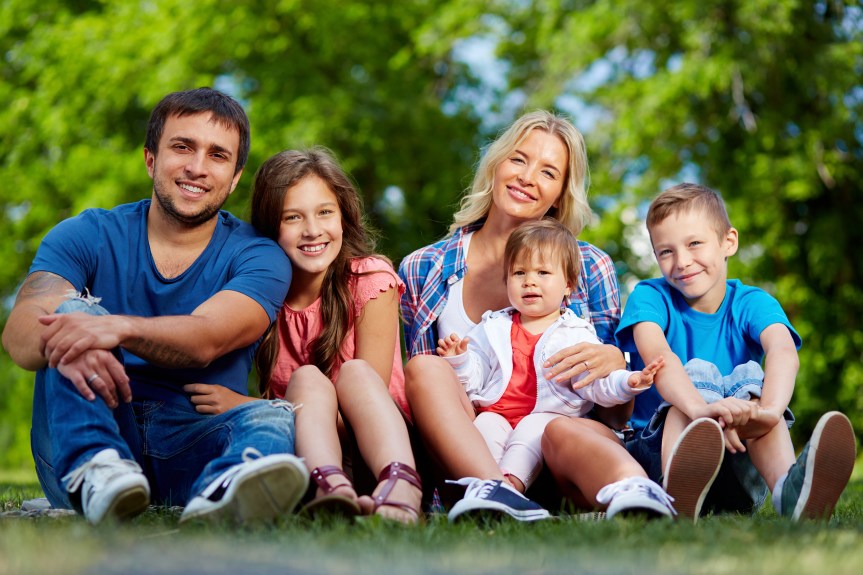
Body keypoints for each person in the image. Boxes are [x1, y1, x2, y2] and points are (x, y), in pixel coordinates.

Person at [1, 88, 308, 526]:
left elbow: (208, 338)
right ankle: (98, 466)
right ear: (150, 158)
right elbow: (20, 335)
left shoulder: (260, 255)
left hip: (192, 439)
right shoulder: (85, 234)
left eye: (218, 155)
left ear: (235, 177)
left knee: (268, 415)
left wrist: (117, 330)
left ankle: (227, 486)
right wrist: (82, 324)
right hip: (85, 424)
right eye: (182, 147)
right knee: (74, 316)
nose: (197, 168)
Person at [399, 110, 630, 522]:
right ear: (496, 164)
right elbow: (417, 402)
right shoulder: (424, 266)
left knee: (565, 430)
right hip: (472, 449)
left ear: (560, 193)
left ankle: (638, 495)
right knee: (425, 368)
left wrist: (616, 360)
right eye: (519, 159)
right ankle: (498, 494)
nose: (527, 177)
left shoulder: (590, 265)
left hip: (556, 447)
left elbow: (615, 416)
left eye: (548, 172)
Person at [185, 148, 422, 523]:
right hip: (310, 454)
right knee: (308, 379)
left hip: (377, 446)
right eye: (292, 217)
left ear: (344, 217)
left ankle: (403, 484)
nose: (312, 230)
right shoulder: (261, 296)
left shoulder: (370, 280)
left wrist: (244, 405)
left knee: (356, 373)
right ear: (269, 228)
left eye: (325, 212)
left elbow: (366, 407)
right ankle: (331, 489)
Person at [612, 183, 856, 521]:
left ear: (729, 241)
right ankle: (675, 492)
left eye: (694, 243)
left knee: (751, 386)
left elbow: (783, 351)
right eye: (665, 252)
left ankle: (791, 492)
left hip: (739, 456)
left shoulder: (751, 302)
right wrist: (703, 409)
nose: (681, 261)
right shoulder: (649, 297)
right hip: (660, 455)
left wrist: (768, 412)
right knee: (697, 374)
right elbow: (659, 357)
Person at [436, 219, 664, 500]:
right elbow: (476, 377)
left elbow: (595, 383)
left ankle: (511, 488)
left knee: (529, 434)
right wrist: (459, 360)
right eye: (519, 273)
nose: (529, 280)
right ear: (507, 280)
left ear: (568, 285)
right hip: (497, 412)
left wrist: (628, 381)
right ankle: (490, 487)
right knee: (482, 428)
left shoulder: (575, 332)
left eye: (543, 272)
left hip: (547, 418)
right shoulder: (492, 327)